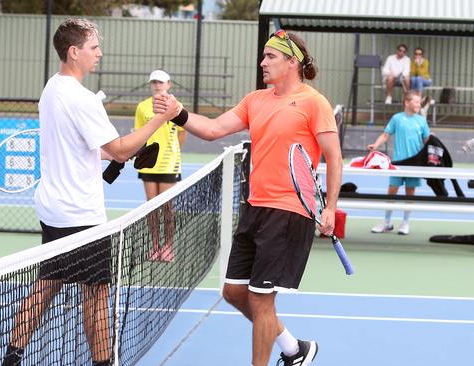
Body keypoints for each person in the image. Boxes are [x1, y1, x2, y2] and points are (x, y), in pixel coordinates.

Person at [154, 29, 342, 366]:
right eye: (264, 56)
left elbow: (334, 156)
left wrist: (330, 207)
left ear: (292, 61)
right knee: (233, 292)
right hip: (255, 208)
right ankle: (294, 348)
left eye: (270, 56)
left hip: (289, 211)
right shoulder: (256, 100)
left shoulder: (314, 103)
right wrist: (178, 112)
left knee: (261, 299)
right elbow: (212, 130)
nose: (262, 62)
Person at [2, 18, 180, 366]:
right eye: (93, 47)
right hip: (81, 215)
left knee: (47, 282)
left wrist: (111, 152)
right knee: (97, 294)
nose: (99, 53)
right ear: (74, 52)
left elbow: (86, 147)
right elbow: (121, 150)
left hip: (53, 208)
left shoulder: (51, 88)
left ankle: (12, 357)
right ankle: (102, 363)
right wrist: (163, 117)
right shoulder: (83, 99)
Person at [134, 69, 187, 262]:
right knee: (151, 208)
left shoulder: (176, 106)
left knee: (168, 208)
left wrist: (172, 152)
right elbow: (140, 134)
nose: (157, 85)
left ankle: (168, 247)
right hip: (148, 165)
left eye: (161, 82)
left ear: (169, 84)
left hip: (168, 165)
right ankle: (155, 246)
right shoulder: (142, 107)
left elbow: (182, 132)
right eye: (154, 82)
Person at [367, 90, 430, 235]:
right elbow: (385, 135)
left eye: (419, 102)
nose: (418, 104)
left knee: (410, 193)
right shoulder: (397, 118)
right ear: (407, 102)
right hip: (397, 163)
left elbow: (428, 141)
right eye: (416, 101)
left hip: (414, 164)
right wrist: (375, 145)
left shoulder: (421, 121)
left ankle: (405, 223)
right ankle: (387, 222)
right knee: (392, 192)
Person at [410, 47, 434, 117]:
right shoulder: (412, 62)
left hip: (426, 80)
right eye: (416, 54)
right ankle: (415, 100)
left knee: (418, 78)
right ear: (414, 55)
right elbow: (413, 73)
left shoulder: (425, 61)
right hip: (417, 80)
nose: (418, 55)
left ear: (422, 55)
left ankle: (419, 100)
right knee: (414, 79)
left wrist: (418, 65)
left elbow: (422, 73)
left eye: (419, 54)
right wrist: (415, 64)